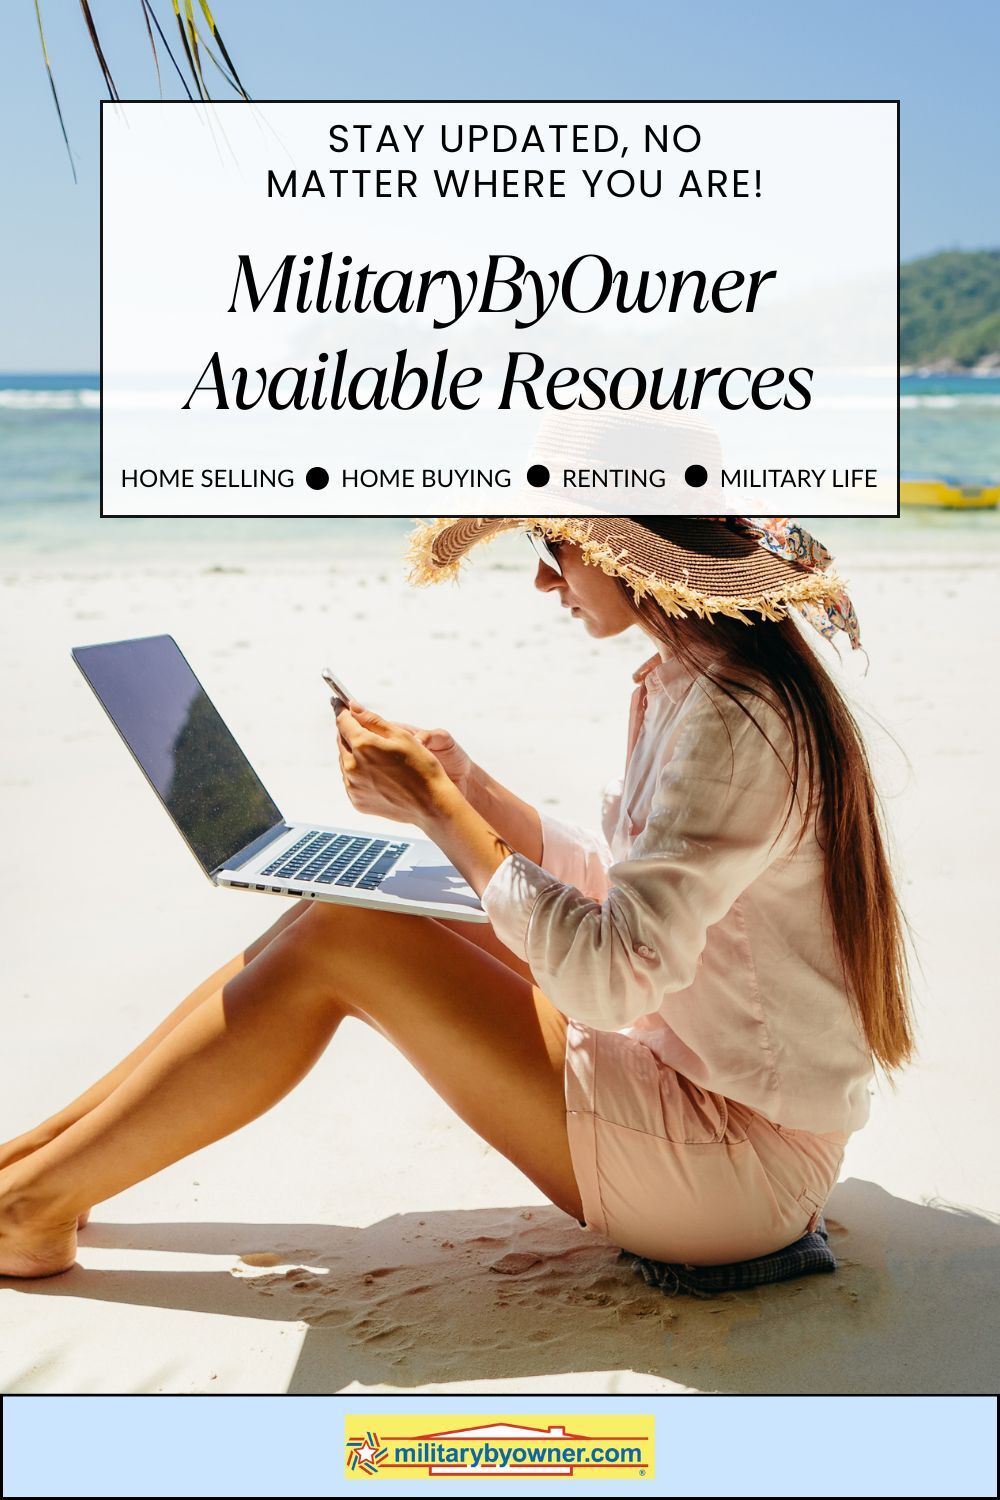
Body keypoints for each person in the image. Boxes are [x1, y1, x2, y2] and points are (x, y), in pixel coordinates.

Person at [0, 516, 914, 1279]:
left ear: (627, 551)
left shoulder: (734, 714)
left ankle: (32, 1206)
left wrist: (438, 813)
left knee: (351, 937)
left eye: (555, 549)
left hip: (736, 1171)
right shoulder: (702, 682)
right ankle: (32, 1165)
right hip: (713, 1098)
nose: (543, 581)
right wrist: (470, 789)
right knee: (347, 911)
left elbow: (611, 980)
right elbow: (632, 895)